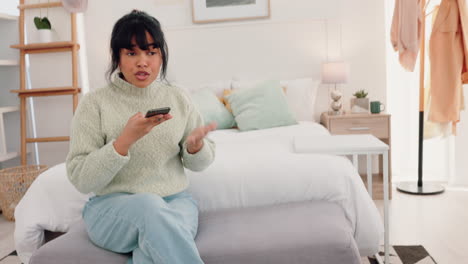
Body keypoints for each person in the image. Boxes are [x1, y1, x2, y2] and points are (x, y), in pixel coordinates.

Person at [66, 10, 216, 264]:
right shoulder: (95, 103)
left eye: (151, 52)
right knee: (149, 207)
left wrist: (194, 147)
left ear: (162, 55)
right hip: (110, 210)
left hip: (176, 203)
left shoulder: (178, 97)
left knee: (154, 245)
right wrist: (123, 142)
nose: (143, 62)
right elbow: (81, 178)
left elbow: (200, 164)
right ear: (117, 57)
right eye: (132, 53)